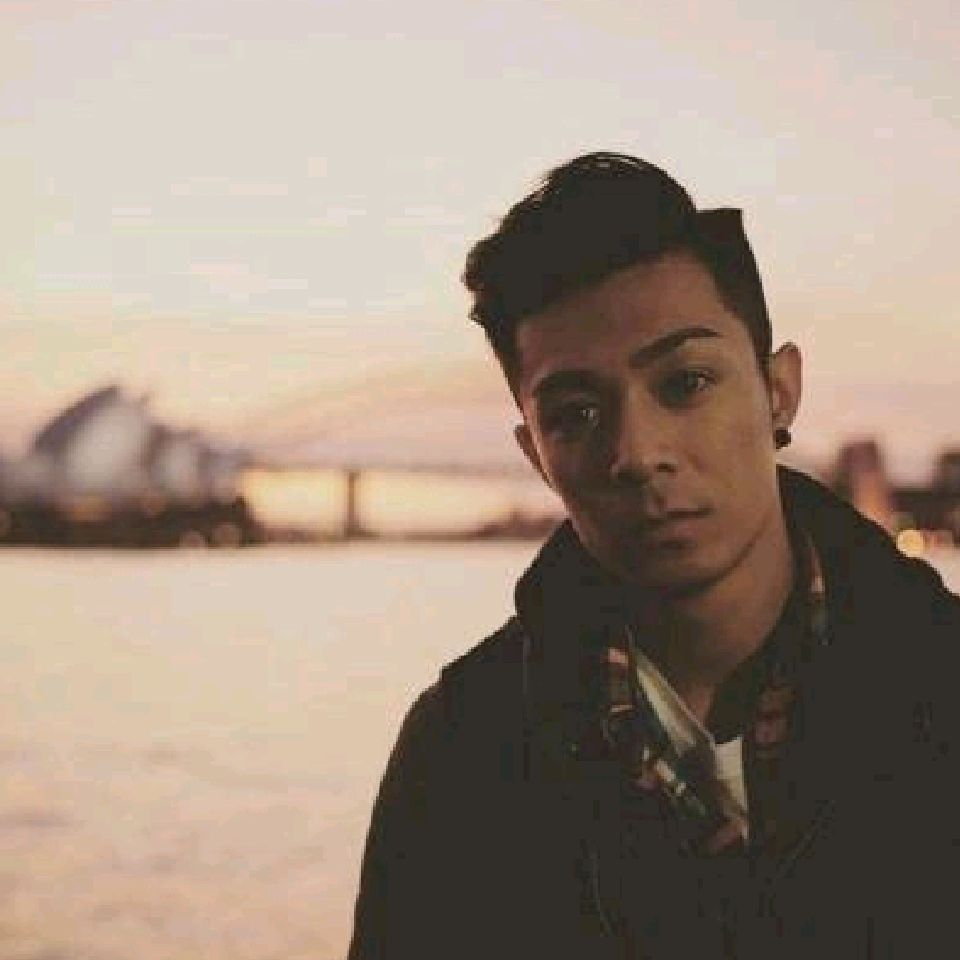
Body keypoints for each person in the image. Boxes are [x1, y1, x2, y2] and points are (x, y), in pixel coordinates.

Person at [347, 152, 960, 959]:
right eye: (575, 415)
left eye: (686, 384)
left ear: (779, 391)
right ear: (536, 457)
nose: (635, 453)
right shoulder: (462, 753)